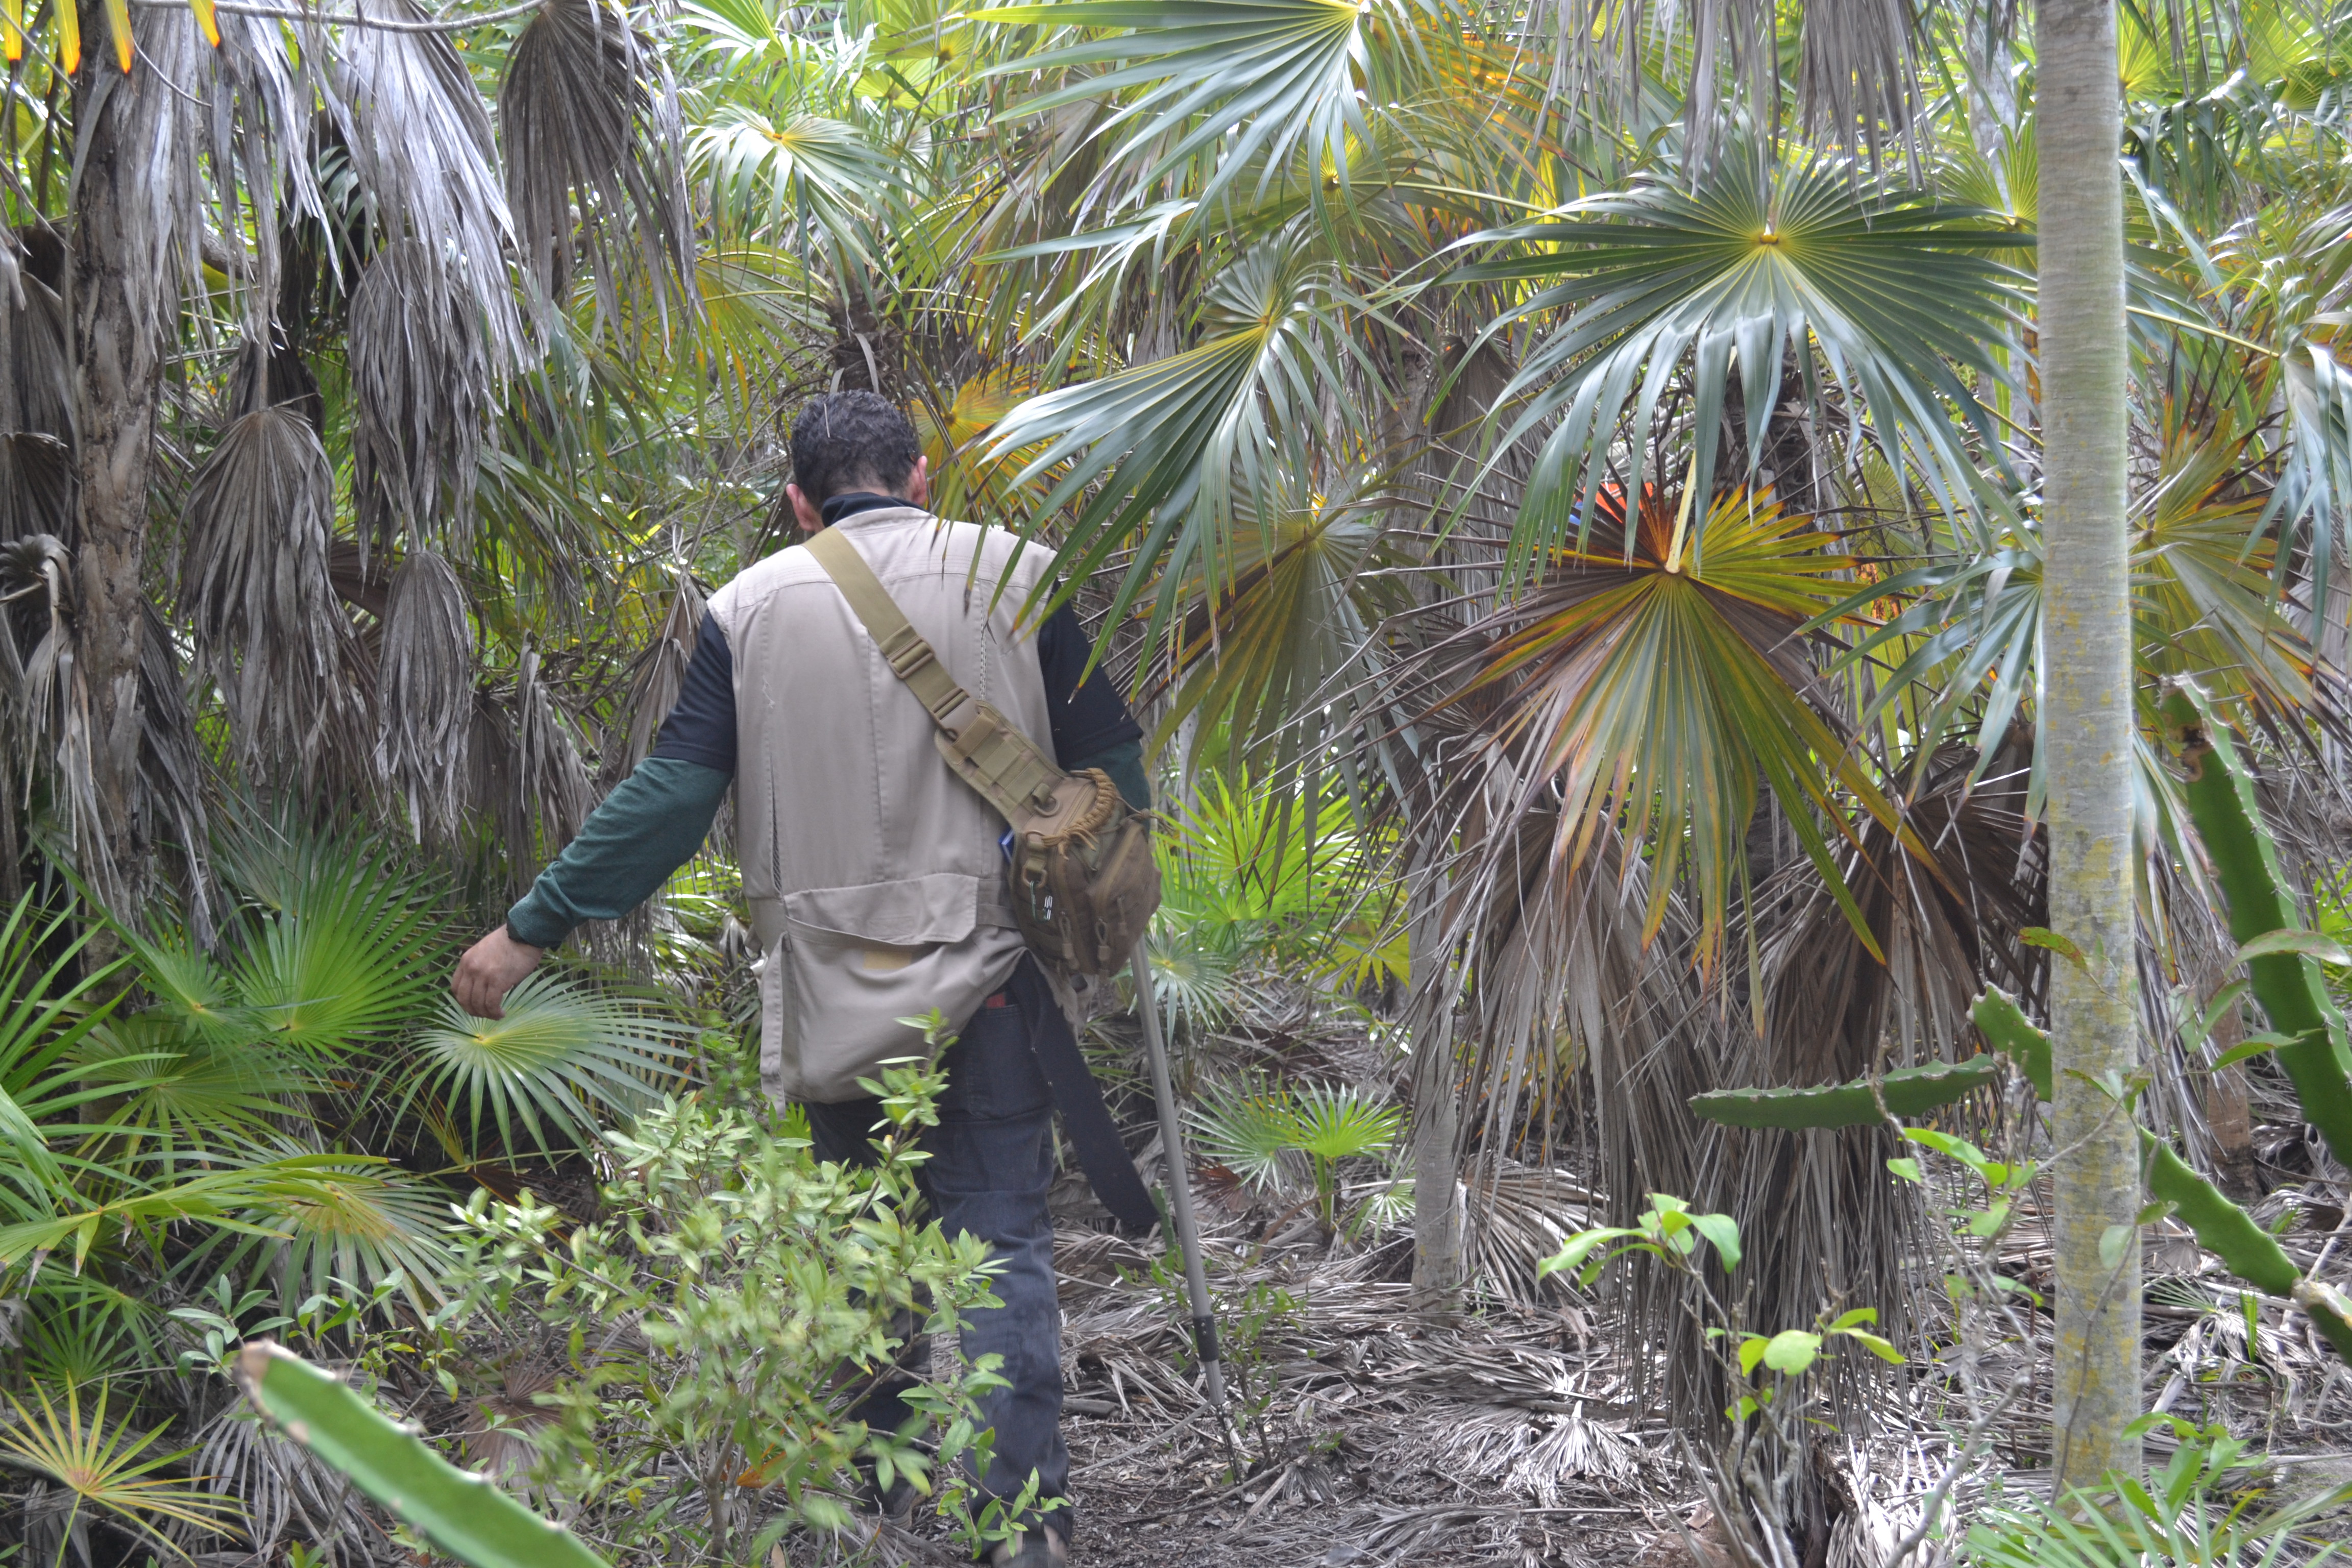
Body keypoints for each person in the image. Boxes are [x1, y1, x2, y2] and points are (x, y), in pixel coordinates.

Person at [452, 390, 1148, 1568]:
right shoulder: (1020, 574)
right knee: (998, 1253)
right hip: (993, 987)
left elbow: (671, 800)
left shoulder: (747, 608)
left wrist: (530, 929)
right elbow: (1114, 770)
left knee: (860, 1254)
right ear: (922, 480)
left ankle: (867, 1523)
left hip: (836, 1004)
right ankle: (1017, 1540)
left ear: (796, 503)